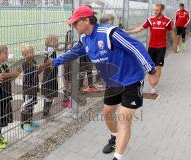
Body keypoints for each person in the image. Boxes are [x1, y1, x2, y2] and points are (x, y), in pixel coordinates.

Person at [47, 5, 158, 160]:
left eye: (75, 22)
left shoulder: (109, 33)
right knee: (107, 113)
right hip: (113, 83)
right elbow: (75, 52)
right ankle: (114, 138)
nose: (73, 26)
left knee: (124, 119)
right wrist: (55, 62)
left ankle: (117, 157)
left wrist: (151, 70)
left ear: (86, 20)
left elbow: (135, 47)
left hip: (132, 80)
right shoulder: (84, 38)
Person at [125, 3, 177, 95]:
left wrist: (175, 44)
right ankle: (152, 83)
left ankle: (154, 86)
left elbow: (172, 33)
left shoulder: (167, 21)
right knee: (150, 66)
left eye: (157, 10)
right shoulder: (150, 20)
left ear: (161, 10)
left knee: (158, 66)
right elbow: (140, 28)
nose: (155, 11)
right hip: (151, 47)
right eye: (154, 10)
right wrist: (128, 32)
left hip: (162, 46)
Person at [0, 44, 21, 149]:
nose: (7, 55)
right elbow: (2, 76)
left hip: (6, 95)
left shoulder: (5, 65)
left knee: (3, 115)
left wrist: (17, 74)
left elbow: (9, 78)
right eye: (5, 53)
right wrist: (14, 73)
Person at [20, 44, 47, 132]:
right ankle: (24, 124)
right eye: (29, 53)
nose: (32, 54)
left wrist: (41, 68)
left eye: (32, 52)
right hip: (28, 88)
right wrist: (38, 67)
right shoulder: (25, 64)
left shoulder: (34, 61)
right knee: (27, 105)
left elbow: (37, 71)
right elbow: (32, 70)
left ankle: (30, 121)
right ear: (24, 55)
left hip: (34, 87)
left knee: (31, 106)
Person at [41, 35, 59, 118]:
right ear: (51, 42)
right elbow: (49, 60)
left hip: (48, 76)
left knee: (48, 95)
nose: (58, 42)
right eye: (56, 41)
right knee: (49, 95)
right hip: (50, 76)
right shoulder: (51, 50)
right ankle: (46, 112)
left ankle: (46, 111)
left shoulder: (48, 49)